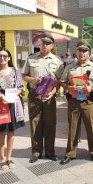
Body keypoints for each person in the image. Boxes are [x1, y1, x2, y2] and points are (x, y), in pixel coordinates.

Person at [59, 40, 93, 165]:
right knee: (73, 128)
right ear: (76, 52)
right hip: (74, 101)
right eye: (80, 50)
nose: (82, 53)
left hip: (89, 102)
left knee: (91, 128)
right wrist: (68, 88)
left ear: (89, 53)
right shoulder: (70, 67)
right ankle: (70, 153)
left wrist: (92, 88)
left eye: (84, 51)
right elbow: (62, 81)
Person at [22, 33, 64, 163]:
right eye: (43, 43)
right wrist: (33, 79)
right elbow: (24, 75)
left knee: (50, 124)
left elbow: (59, 80)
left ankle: (50, 152)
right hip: (35, 94)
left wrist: (52, 92)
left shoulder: (57, 61)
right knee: (35, 123)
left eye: (47, 43)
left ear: (52, 45)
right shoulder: (31, 58)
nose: (44, 45)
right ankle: (36, 152)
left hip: (49, 96)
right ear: (39, 44)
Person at [0, 48, 25, 170]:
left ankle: (9, 158)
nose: (2, 58)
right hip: (0, 105)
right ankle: (2, 158)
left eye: (5, 56)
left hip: (13, 105)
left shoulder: (16, 71)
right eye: (0, 56)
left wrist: (16, 93)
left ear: (9, 57)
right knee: (1, 133)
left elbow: (21, 87)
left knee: (11, 132)